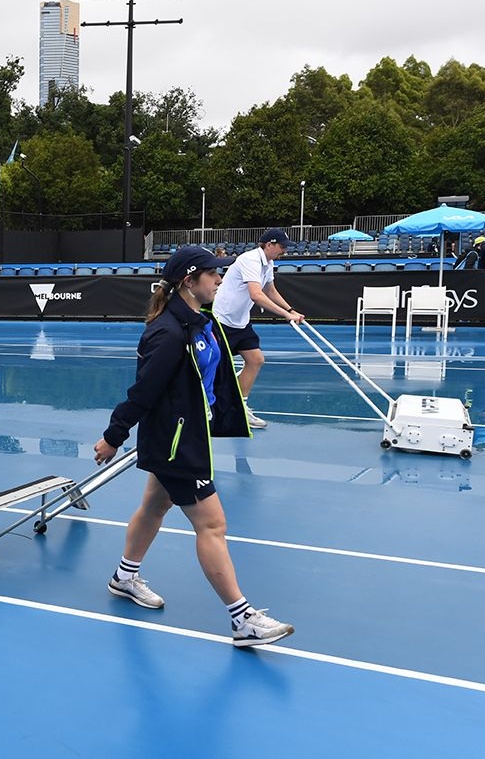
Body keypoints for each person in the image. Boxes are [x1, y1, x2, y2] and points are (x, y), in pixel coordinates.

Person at [94, 245, 295, 648]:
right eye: (213, 274)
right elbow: (143, 392)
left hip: (187, 434)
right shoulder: (168, 334)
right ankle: (242, 620)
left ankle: (124, 578)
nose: (220, 279)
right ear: (190, 280)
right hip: (176, 445)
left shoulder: (198, 322)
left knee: (155, 505)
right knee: (213, 524)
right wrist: (113, 436)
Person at [210, 228, 305, 429]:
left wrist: (291, 310)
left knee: (256, 359)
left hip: (240, 322)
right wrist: (286, 315)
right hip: (223, 320)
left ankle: (240, 408)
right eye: (281, 247)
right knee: (215, 368)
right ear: (269, 245)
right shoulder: (250, 260)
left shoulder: (268, 263)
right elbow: (256, 294)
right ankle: (208, 405)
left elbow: (270, 290)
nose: (284, 251)